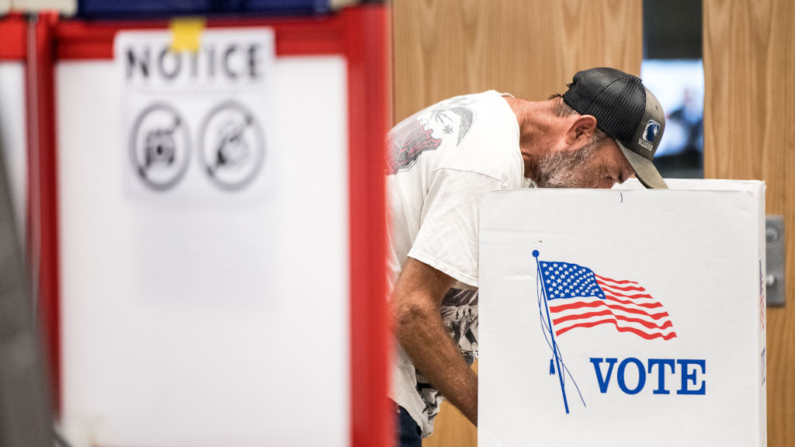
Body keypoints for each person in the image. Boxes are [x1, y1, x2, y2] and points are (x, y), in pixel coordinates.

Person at [386, 67, 668, 446]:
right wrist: (502, 424)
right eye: (609, 176)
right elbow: (410, 309)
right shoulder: (488, 166)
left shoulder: (496, 120)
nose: (603, 192)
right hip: (366, 378)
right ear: (580, 131)